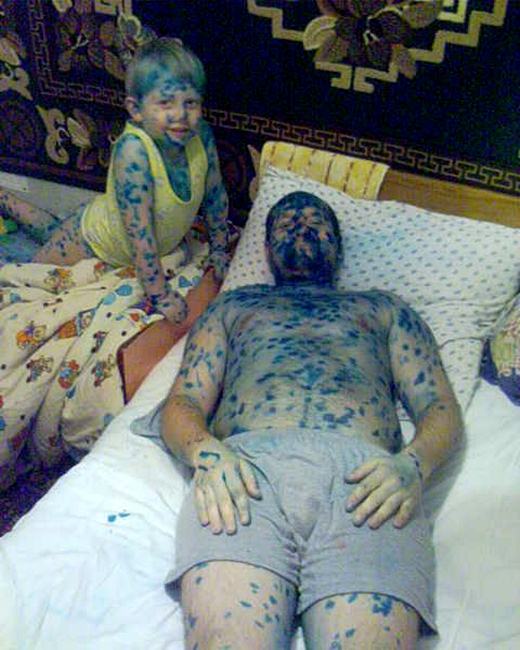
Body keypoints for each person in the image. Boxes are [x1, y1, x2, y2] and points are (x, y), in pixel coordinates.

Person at [157, 191, 463, 648]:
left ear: (338, 245)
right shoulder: (233, 307)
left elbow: (440, 406)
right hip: (243, 477)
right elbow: (182, 401)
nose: (302, 228)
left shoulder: (383, 309)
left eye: (316, 223)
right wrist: (205, 453)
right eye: (286, 224)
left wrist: (414, 465)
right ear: (265, 249)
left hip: (367, 484)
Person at [0, 37, 230, 324]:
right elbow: (140, 234)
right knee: (29, 274)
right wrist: (160, 295)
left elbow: (215, 195)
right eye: (165, 103)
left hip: (106, 222)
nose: (181, 115)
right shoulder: (134, 151)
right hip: (92, 240)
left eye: (191, 103)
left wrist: (220, 248)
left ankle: (4, 198)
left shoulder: (202, 135)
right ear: (136, 110)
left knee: (50, 229)